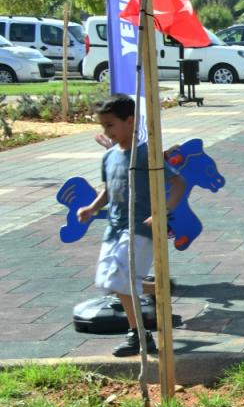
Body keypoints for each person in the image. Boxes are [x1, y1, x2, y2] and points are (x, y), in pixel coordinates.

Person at [76, 94, 188, 357]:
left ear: (130, 121)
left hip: (140, 228)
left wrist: (162, 212)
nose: (107, 131)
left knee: (121, 278)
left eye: (111, 125)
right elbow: (108, 188)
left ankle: (138, 333)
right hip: (113, 228)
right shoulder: (110, 157)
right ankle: (149, 309)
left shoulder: (145, 154)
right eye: (103, 126)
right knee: (107, 281)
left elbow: (178, 184)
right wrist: (93, 207)